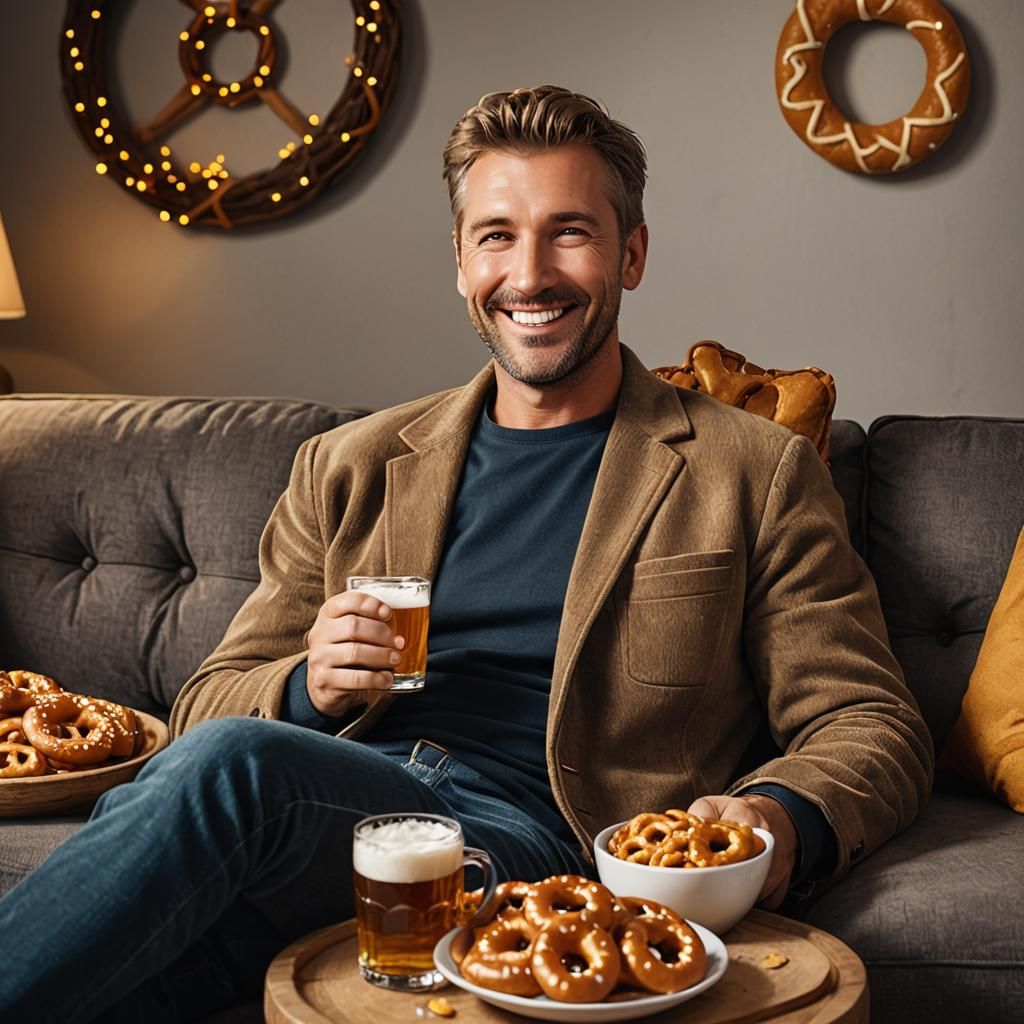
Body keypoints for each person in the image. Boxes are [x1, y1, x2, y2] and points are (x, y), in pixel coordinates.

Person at [0, 85, 933, 1022]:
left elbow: (867, 717)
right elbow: (209, 702)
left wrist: (777, 817)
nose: (529, 274)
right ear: (459, 261)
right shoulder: (350, 466)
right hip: (342, 818)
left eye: (569, 232)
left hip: (533, 839)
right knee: (165, 964)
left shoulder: (752, 472)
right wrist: (305, 689)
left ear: (632, 254)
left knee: (233, 772)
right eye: (495, 236)